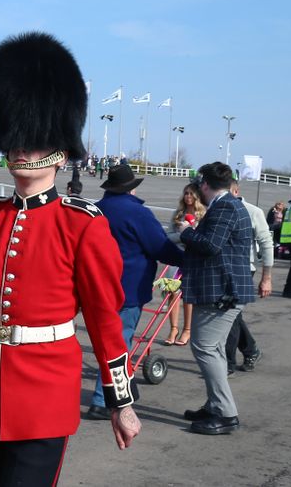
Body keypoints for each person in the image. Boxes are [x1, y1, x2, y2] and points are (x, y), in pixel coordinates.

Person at [0, 33, 140, 485]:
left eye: (35, 140)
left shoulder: (82, 223)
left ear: (60, 153)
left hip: (46, 393)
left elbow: (106, 317)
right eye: (16, 140)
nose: (22, 149)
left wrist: (120, 401)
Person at [86, 164, 183, 420]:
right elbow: (159, 247)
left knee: (107, 341)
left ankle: (123, 387)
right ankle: (103, 400)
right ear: (131, 187)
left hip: (95, 288)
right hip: (127, 287)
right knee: (119, 343)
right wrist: (186, 260)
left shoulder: (95, 210)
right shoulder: (138, 213)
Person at [177, 162, 255, 435]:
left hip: (220, 290)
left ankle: (225, 413)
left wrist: (186, 233)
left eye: (200, 186)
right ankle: (215, 405)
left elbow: (211, 246)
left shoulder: (224, 207)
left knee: (205, 348)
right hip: (226, 288)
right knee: (216, 350)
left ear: (206, 185)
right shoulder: (231, 205)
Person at [226, 180, 273, 374]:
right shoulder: (214, 209)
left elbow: (266, 244)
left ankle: (227, 364)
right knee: (232, 315)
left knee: (231, 315)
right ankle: (250, 349)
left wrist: (266, 277)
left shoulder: (253, 212)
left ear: (236, 191)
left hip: (244, 268)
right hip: (221, 269)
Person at [165, 183, 207, 346]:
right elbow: (168, 235)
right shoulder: (178, 213)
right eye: (186, 193)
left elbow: (204, 238)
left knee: (188, 295)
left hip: (193, 258)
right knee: (172, 292)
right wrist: (182, 235)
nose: (188, 196)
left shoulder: (203, 214)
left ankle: (187, 330)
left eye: (191, 193)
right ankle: (173, 328)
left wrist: (191, 233)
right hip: (176, 256)